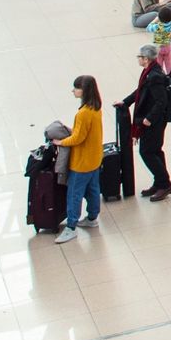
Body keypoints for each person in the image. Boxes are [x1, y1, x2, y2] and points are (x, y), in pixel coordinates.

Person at [52, 75, 105, 242]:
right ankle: (92, 218)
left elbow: (78, 138)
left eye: (76, 88)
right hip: (95, 158)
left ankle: (71, 227)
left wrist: (61, 141)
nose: (73, 90)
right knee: (93, 190)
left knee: (74, 194)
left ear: (84, 90)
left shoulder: (83, 114)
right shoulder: (96, 108)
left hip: (81, 162)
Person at [121, 44, 171, 200]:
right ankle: (159, 182)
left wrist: (148, 119)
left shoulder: (154, 76)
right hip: (152, 121)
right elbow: (141, 91)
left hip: (154, 122)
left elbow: (161, 101)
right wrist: (125, 102)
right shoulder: (149, 72)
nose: (138, 59)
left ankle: (165, 184)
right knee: (156, 151)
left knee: (147, 152)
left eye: (139, 57)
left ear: (145, 59)